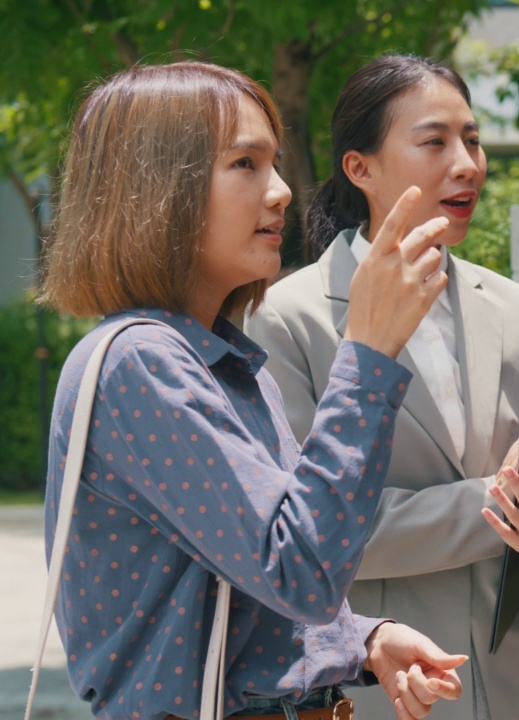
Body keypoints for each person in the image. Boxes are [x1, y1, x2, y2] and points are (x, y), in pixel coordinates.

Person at [38, 60, 471, 720]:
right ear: (156, 187)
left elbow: (259, 575)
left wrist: (365, 640)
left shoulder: (221, 359)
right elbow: (301, 570)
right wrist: (368, 353)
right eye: (246, 164)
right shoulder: (142, 363)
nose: (281, 192)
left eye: (275, 164)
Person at [242, 55, 519, 720]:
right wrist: (499, 508)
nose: (466, 163)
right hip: (387, 693)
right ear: (361, 168)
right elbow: (314, 532)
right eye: (435, 142)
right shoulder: (284, 320)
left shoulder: (513, 308)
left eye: (472, 139)